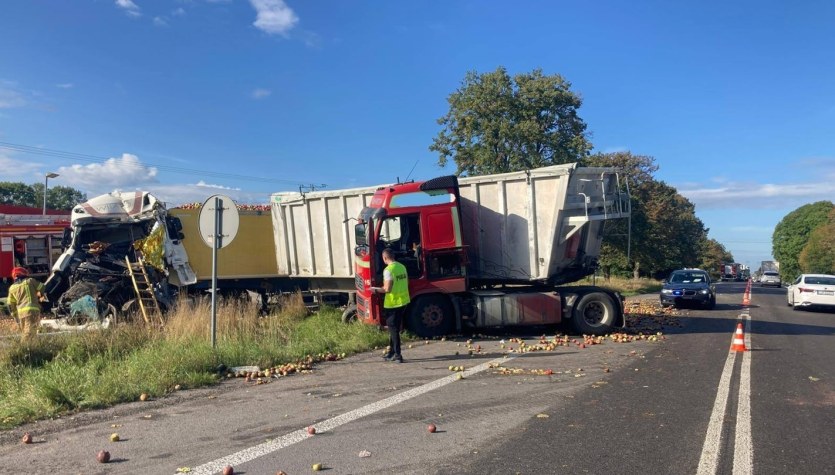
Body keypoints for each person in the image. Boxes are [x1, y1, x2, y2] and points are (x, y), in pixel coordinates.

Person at [372, 248, 411, 363]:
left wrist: (375, 290)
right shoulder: (402, 267)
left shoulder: (388, 270)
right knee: (393, 328)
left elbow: (387, 289)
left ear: (384, 258)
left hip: (392, 304)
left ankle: (398, 355)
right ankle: (391, 352)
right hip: (403, 302)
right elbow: (406, 282)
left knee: (393, 329)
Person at [7, 267, 45, 342]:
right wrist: (39, 296)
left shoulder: (12, 288)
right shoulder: (30, 281)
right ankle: (23, 350)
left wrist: (15, 316)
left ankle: (32, 350)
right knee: (29, 334)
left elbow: (10, 304)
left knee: (27, 333)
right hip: (32, 312)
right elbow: (42, 287)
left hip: (21, 314)